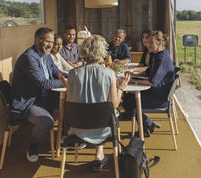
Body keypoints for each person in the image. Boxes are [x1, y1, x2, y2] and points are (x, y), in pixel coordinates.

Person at [59, 35, 130, 172]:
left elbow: (70, 103)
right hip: (103, 128)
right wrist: (121, 88)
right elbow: (115, 104)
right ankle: (99, 154)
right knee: (105, 111)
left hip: (76, 128)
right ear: (102, 52)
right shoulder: (109, 73)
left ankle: (99, 154)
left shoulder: (73, 74)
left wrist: (69, 86)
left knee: (93, 107)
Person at [10, 27, 66, 162]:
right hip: (28, 102)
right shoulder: (29, 58)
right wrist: (66, 82)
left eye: (52, 42)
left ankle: (65, 136)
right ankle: (33, 145)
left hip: (43, 97)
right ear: (37, 40)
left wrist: (74, 76)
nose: (50, 45)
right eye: (48, 42)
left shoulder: (46, 56)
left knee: (72, 104)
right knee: (46, 122)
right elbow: (43, 83)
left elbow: (57, 73)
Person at [122, 30, 176, 137]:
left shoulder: (162, 58)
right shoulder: (156, 55)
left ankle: (147, 125)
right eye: (147, 42)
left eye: (151, 42)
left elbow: (152, 82)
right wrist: (132, 74)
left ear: (160, 43)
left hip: (160, 98)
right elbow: (147, 72)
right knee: (127, 98)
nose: (148, 44)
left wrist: (134, 81)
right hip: (154, 92)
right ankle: (147, 124)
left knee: (129, 102)